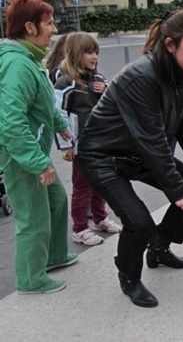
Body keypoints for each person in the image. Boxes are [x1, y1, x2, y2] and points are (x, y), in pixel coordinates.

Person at [76, 10, 183, 308]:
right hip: (103, 156)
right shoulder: (141, 77)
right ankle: (130, 278)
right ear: (171, 45)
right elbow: (153, 141)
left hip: (137, 153)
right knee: (139, 222)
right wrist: (177, 192)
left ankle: (158, 250)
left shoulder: (181, 76)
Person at [0, 0, 77, 295]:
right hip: (21, 156)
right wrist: (37, 162)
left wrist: (61, 127)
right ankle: (31, 279)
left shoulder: (28, 60)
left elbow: (41, 102)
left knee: (57, 202)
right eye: (49, 23)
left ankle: (54, 256)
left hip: (31, 150)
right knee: (34, 218)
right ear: (30, 28)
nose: (54, 29)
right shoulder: (17, 65)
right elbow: (10, 121)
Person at [54, 32, 122, 246]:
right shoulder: (66, 83)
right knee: (82, 186)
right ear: (76, 54)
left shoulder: (99, 78)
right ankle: (80, 227)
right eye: (89, 52)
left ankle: (100, 218)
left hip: (102, 143)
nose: (94, 57)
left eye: (96, 52)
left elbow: (115, 102)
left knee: (101, 183)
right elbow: (58, 115)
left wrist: (107, 91)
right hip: (81, 145)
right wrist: (66, 145)